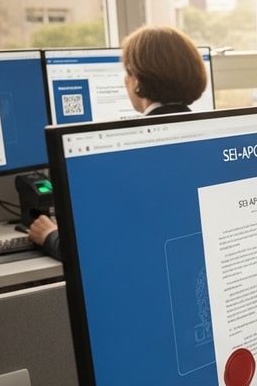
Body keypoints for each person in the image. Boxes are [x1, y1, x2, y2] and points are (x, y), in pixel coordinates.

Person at [28, 25, 208, 259]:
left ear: (136, 80)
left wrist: (51, 236)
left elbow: (94, 251)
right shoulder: (209, 140)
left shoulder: (125, 155)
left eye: (127, 72)